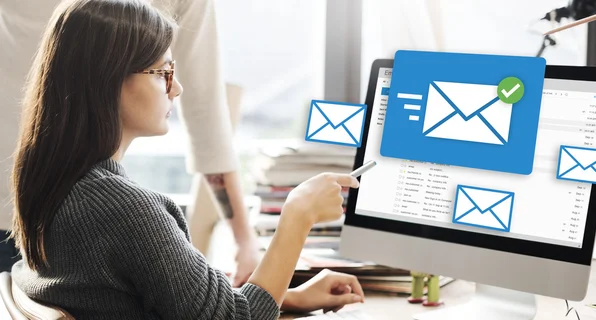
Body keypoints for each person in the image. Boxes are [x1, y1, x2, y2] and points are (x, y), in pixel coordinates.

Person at [8, 0, 365, 319]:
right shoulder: (123, 210)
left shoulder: (55, 186)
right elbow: (233, 318)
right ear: (108, 80)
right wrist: (298, 214)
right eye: (162, 73)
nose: (176, 88)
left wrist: (286, 297)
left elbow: (175, 301)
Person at [0, 0, 261, 285]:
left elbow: (206, 116)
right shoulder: (132, 214)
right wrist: (268, 230)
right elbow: (206, 115)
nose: (175, 88)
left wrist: (242, 240)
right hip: (46, 216)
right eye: (162, 73)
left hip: (33, 202)